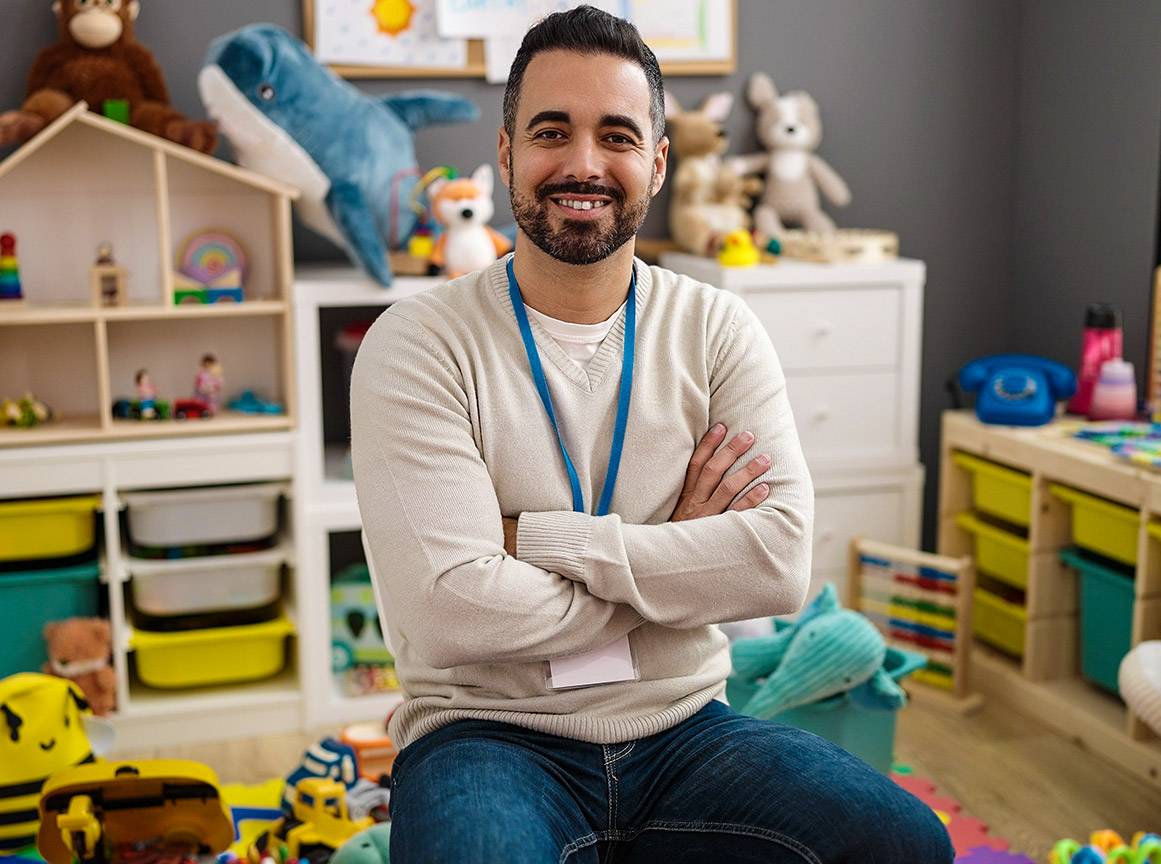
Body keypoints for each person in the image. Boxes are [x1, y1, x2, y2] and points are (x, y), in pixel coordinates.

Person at [348, 7, 952, 862]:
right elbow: (450, 611)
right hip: (486, 733)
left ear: (658, 162)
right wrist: (679, 555)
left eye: (618, 136)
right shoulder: (417, 343)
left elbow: (776, 562)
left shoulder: (718, 329)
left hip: (684, 727)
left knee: (905, 843)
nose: (584, 164)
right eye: (552, 131)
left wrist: (542, 541)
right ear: (508, 150)